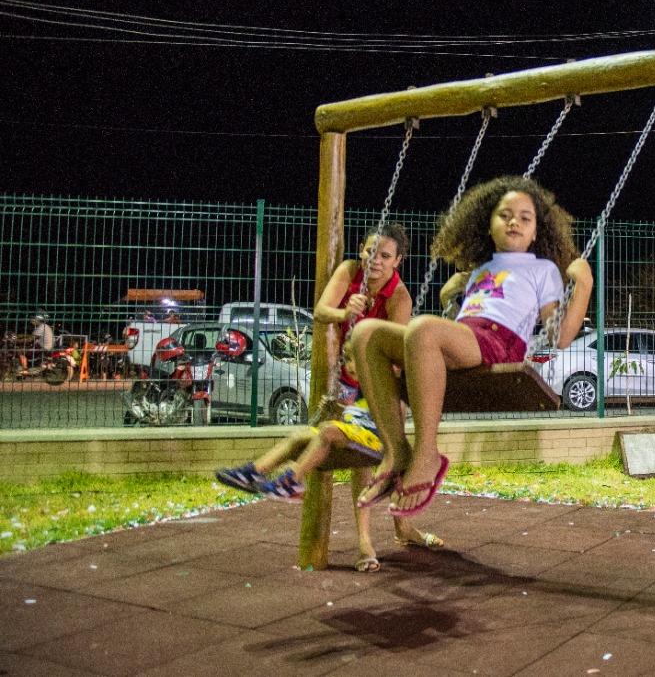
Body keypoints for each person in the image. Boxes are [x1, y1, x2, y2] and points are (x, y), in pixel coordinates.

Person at [352, 176, 593, 518]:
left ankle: (427, 454)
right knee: (366, 334)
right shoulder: (480, 268)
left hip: (499, 342)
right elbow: (461, 312)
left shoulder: (543, 270)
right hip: (466, 335)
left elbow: (560, 336)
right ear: (488, 225)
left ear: (537, 232)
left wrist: (583, 282)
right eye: (505, 215)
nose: (515, 222)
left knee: (422, 327)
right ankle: (396, 450)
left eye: (526, 218)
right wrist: (450, 294)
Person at [215, 222, 437, 572]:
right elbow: (321, 312)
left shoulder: (399, 297)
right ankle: (256, 472)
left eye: (384, 256)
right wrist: (346, 313)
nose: (374, 261)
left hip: (375, 386)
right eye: (369, 251)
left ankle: (366, 539)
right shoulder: (350, 271)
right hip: (346, 376)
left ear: (398, 261)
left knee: (359, 457)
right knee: (313, 436)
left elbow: (394, 357)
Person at [214, 343, 442, 571]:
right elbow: (345, 420)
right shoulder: (353, 391)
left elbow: (395, 417)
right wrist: (333, 408)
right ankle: (254, 471)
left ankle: (293, 481)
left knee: (328, 430)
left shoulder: (387, 384)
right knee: (299, 435)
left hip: (377, 442)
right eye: (348, 360)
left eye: (357, 360)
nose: (351, 367)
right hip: (355, 437)